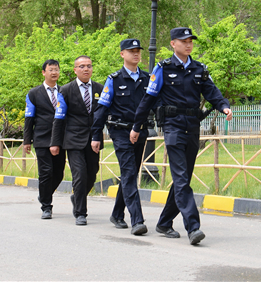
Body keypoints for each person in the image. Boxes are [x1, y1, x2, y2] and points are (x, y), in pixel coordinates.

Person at [130, 27, 232, 245]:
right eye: (183, 41)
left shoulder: (199, 69)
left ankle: (164, 222)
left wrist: (223, 106)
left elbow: (212, 92)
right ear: (173, 44)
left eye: (190, 41)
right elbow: (148, 99)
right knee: (181, 178)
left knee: (183, 179)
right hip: (173, 127)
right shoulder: (163, 68)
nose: (188, 44)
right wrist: (136, 126)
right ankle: (193, 227)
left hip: (192, 126)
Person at [92, 38, 150, 236]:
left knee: (130, 174)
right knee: (129, 172)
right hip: (120, 132)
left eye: (138, 51)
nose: (136, 54)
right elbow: (102, 109)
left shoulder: (147, 78)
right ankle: (137, 220)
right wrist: (96, 135)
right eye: (131, 51)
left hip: (140, 131)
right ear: (122, 54)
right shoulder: (114, 80)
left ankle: (117, 214)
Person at [51, 55, 102, 226]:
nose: (86, 69)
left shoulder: (100, 88)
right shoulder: (66, 90)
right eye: (82, 66)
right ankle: (81, 213)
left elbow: (103, 113)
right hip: (73, 139)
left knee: (92, 174)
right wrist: (55, 142)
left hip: (94, 139)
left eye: (89, 66)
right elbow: (59, 118)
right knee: (79, 174)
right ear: (75, 70)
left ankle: (77, 197)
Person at [23, 59, 66, 220]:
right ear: (44, 72)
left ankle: (44, 194)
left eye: (56, 69)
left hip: (60, 138)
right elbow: (29, 118)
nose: (54, 72)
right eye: (51, 70)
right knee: (46, 172)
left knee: (59, 173)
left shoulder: (64, 91)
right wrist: (27, 140)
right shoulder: (34, 93)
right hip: (42, 138)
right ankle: (46, 206)